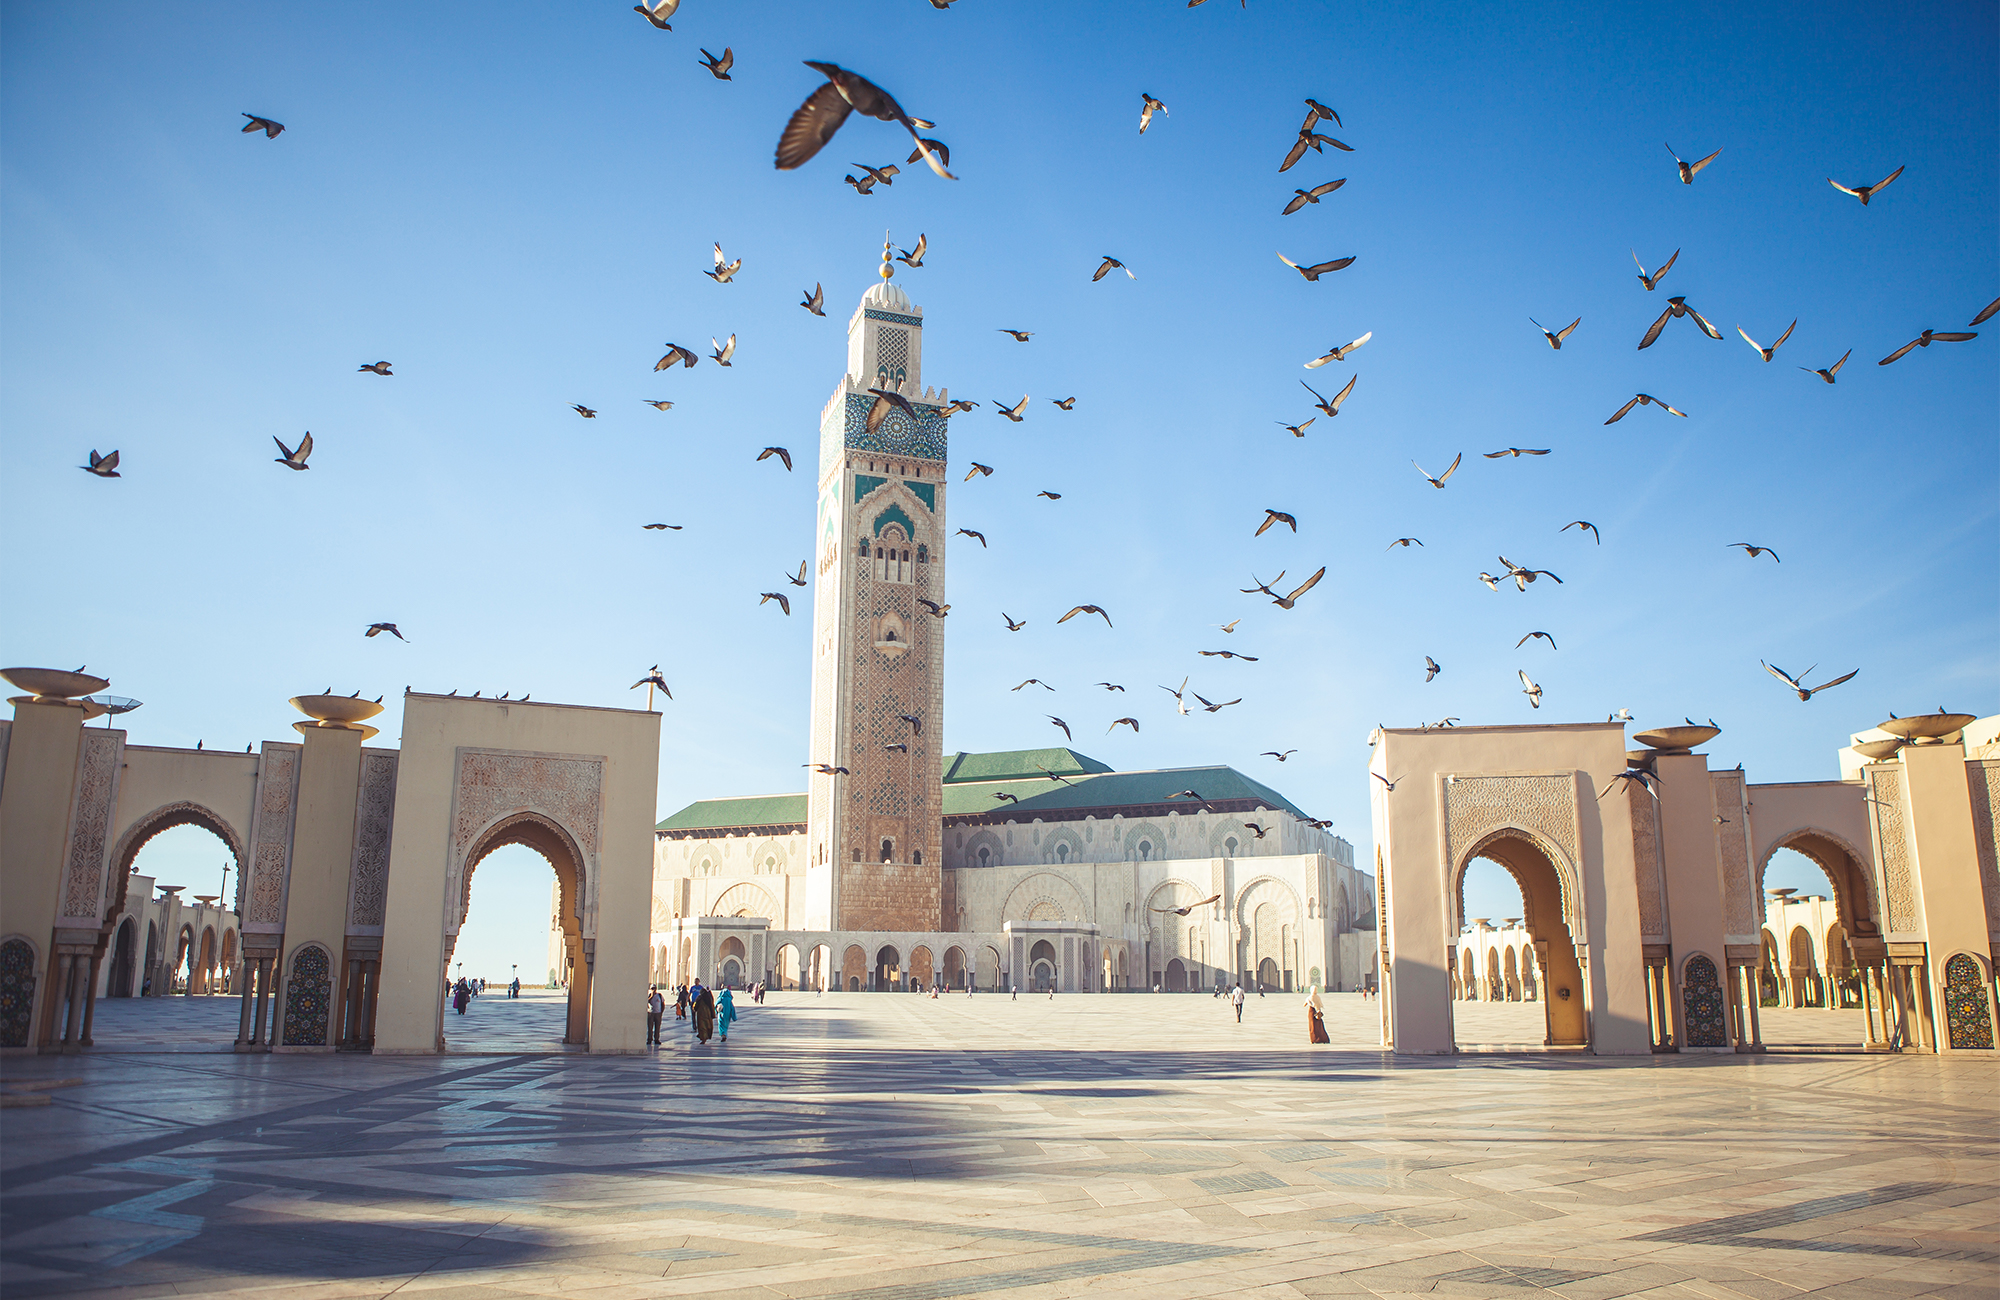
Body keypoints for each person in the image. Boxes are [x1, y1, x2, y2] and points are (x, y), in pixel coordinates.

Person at [690, 979, 715, 1043]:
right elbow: (712, 1006)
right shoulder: (708, 998)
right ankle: (705, 1036)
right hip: (708, 1014)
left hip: (700, 1015)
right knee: (707, 1026)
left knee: (702, 1026)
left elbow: (695, 1006)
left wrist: (694, 1009)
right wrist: (713, 1014)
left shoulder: (699, 998)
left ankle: (703, 1038)